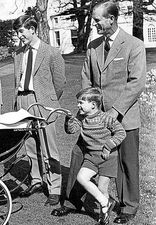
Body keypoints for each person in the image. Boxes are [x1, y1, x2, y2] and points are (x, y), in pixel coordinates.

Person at [52, 1, 146, 224]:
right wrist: (88, 105)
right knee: (80, 153)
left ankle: (128, 206)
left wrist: (114, 111)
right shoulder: (93, 46)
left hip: (123, 116)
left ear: (111, 19)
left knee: (125, 162)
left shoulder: (134, 45)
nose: (94, 24)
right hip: (94, 116)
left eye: (97, 20)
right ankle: (75, 199)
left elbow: (136, 82)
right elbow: (86, 76)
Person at [12, 15, 66, 206]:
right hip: (23, 101)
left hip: (43, 102)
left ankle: (54, 188)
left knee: (49, 147)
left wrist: (49, 101)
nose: (19, 36)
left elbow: (59, 82)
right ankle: (36, 180)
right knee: (30, 145)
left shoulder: (51, 52)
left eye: (21, 31)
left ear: (33, 29)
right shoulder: (18, 53)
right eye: (17, 32)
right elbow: (17, 80)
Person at [65, 87, 126, 225]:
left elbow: (121, 133)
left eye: (81, 102)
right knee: (81, 177)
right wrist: (69, 119)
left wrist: (108, 146)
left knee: (102, 188)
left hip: (107, 158)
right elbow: (71, 130)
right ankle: (106, 202)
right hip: (91, 157)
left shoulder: (105, 118)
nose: (78, 105)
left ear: (93, 104)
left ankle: (103, 216)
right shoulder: (81, 117)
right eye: (78, 102)